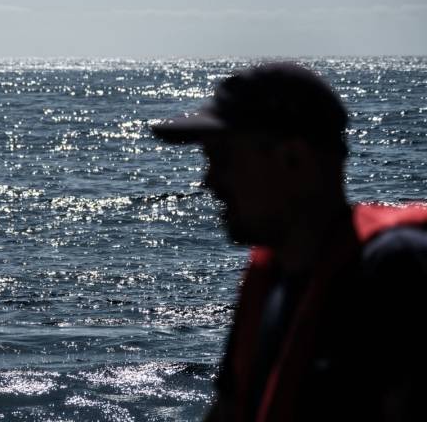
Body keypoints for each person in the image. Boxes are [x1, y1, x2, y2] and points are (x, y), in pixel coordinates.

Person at [151, 63, 427, 422]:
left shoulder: (396, 272)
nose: (209, 182)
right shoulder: (272, 281)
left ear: (293, 159)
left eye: (223, 160)